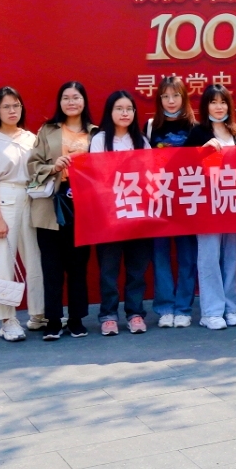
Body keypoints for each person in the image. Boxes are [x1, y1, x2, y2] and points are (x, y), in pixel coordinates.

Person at [27, 82, 97, 340]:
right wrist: (54, 166)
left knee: (78, 266)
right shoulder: (47, 130)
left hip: (83, 206)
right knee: (51, 267)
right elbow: (32, 165)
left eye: (76, 97)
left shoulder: (96, 133)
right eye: (66, 98)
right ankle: (53, 321)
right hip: (50, 206)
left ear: (84, 101)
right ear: (60, 102)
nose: (71, 102)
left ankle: (76, 320)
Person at [0, 87, 42, 342]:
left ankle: (38, 313)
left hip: (31, 200)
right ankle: (8, 320)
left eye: (16, 105)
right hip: (3, 201)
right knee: (3, 262)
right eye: (6, 106)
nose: (12, 110)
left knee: (35, 258)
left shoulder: (30, 138)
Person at [91, 91, 152, 336]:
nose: (124, 113)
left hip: (138, 213)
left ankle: (135, 313)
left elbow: (151, 174)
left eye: (129, 109)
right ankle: (108, 315)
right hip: (109, 215)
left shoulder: (141, 140)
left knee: (137, 268)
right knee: (109, 269)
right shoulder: (100, 140)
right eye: (119, 108)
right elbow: (96, 174)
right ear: (110, 111)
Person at [186, 84, 236, 330]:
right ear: (205, 106)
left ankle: (230, 307)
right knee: (209, 257)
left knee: (230, 256)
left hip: (231, 202)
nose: (219, 107)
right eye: (213, 102)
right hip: (207, 205)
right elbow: (181, 164)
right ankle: (211, 311)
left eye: (223, 102)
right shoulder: (198, 132)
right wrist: (201, 152)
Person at [147, 76, 198, 329]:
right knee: (161, 256)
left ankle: (183, 308)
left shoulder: (195, 127)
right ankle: (165, 307)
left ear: (184, 97)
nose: (170, 101)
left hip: (188, 200)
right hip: (159, 200)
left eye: (175, 95)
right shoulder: (150, 127)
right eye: (165, 96)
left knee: (188, 257)